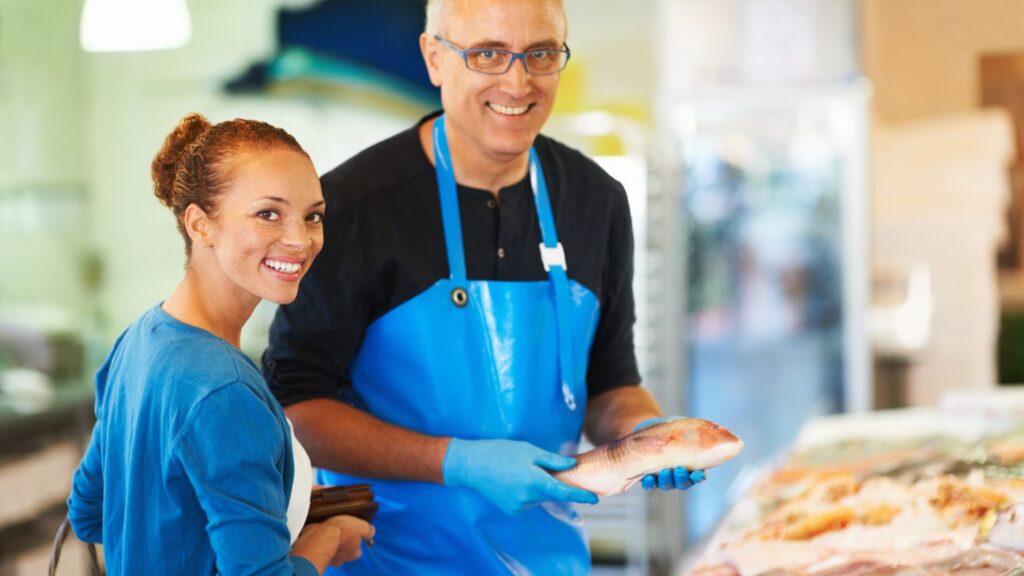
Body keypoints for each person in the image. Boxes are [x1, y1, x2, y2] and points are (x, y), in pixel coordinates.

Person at [262, 0, 703, 573]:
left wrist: (644, 434)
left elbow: (611, 381)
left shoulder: (597, 200)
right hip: (389, 560)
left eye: (541, 53)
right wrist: (456, 461)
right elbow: (295, 411)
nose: (517, 82)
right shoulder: (352, 207)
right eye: (488, 53)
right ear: (434, 58)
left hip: (547, 559)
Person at [67, 113, 375, 576]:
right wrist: (326, 537)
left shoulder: (139, 341)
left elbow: (90, 512)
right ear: (200, 224)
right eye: (268, 213)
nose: (299, 240)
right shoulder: (224, 389)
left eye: (313, 216)